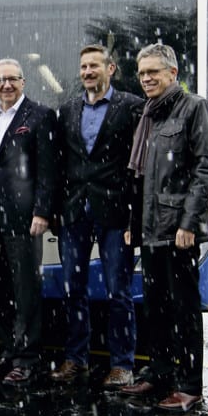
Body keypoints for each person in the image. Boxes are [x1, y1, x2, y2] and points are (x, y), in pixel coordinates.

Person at [120, 43, 208, 412]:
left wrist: (189, 222)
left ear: (172, 74)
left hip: (178, 229)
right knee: (155, 308)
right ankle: (159, 373)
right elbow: (141, 177)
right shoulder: (148, 113)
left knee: (184, 310)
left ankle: (189, 385)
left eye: (154, 72)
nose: (146, 78)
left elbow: (207, 166)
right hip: (150, 230)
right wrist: (134, 224)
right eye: (142, 72)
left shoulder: (193, 107)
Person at [50, 44, 144, 389]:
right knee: (73, 288)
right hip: (75, 210)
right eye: (84, 67)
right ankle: (76, 358)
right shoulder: (68, 109)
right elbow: (61, 163)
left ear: (111, 69)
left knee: (118, 291)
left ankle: (122, 364)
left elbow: (139, 164)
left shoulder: (132, 107)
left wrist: (137, 213)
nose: (88, 72)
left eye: (94, 66)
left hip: (115, 210)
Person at [0, 58, 59, 387]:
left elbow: (48, 170)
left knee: (25, 289)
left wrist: (42, 210)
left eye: (12, 79)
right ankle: (9, 350)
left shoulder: (40, 116)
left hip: (25, 219)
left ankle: (27, 359)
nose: (6, 85)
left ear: (23, 82)